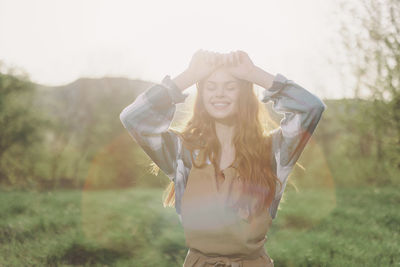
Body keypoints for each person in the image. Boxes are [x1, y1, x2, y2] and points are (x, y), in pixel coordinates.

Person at [119, 49, 327, 266]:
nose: (219, 94)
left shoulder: (275, 151)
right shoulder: (183, 152)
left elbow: (311, 108)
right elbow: (134, 118)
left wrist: (253, 73)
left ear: (245, 96)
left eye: (230, 87)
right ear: (202, 97)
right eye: (211, 87)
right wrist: (190, 76)